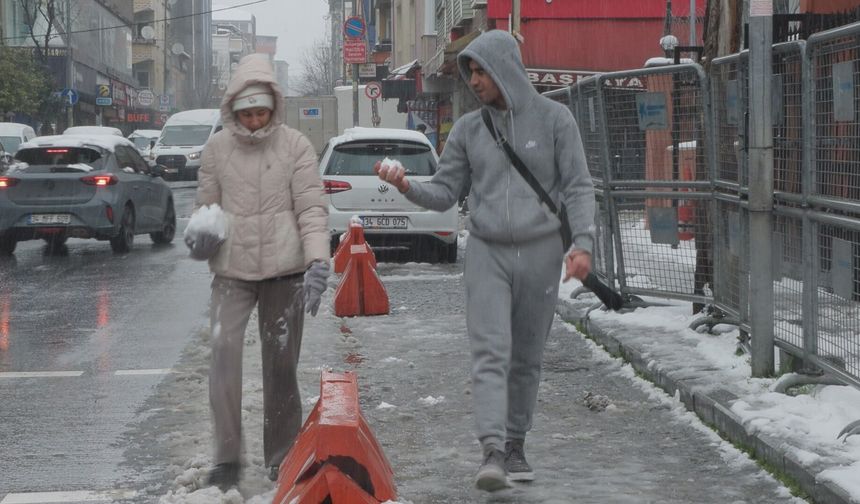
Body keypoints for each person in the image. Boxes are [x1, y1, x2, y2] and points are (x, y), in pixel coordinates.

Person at [376, 30, 595, 492]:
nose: (475, 80)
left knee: (527, 356)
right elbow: (443, 192)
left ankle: (516, 443)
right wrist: (406, 186)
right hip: (487, 252)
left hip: (542, 253)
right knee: (490, 353)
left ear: (505, 68)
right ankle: (492, 449)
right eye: (470, 72)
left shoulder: (556, 120)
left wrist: (583, 243)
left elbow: (577, 186)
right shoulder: (469, 130)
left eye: (481, 70)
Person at [185, 53, 331, 490]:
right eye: (245, 113)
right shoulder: (216, 149)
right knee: (223, 357)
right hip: (231, 271)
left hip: (285, 272)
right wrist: (200, 235)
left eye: (260, 112)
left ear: (273, 107)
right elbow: (205, 206)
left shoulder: (295, 147)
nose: (252, 121)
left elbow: (310, 208)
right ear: (233, 109)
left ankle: (282, 455)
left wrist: (318, 261)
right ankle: (227, 459)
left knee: (281, 364)